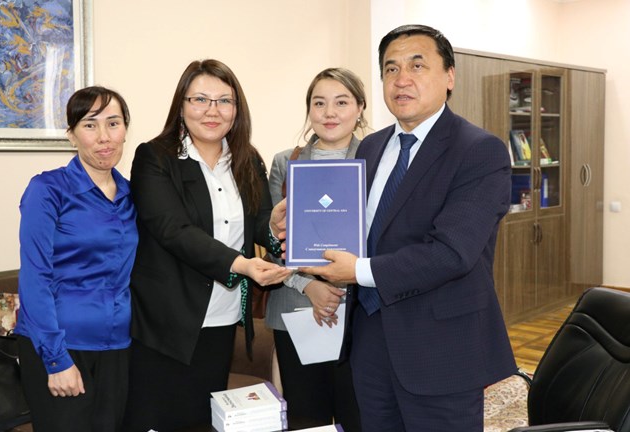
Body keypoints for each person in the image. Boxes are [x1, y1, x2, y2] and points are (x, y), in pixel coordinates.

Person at [300, 24, 517, 431]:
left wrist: (358, 271)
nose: (402, 79)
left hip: (441, 349)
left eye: (418, 65)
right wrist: (299, 222)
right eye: (391, 69)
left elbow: (452, 252)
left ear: (449, 77)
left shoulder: (479, 150)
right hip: (370, 339)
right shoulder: (372, 146)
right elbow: (358, 228)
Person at [121, 59, 292, 431]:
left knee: (201, 419)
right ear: (181, 105)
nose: (212, 111)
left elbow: (259, 220)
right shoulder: (156, 157)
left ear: (237, 109)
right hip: (165, 320)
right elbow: (172, 230)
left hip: (222, 316)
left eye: (224, 101)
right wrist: (242, 265)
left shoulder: (247, 159)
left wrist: (274, 226)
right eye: (200, 99)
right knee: (152, 420)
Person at [14, 86, 137, 432]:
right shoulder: (47, 190)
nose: (104, 137)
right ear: (71, 135)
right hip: (60, 343)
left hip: (117, 345)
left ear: (126, 129)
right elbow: (35, 277)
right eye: (90, 125)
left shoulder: (132, 195)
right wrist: (55, 359)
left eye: (113, 124)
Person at [265, 68, 366, 431]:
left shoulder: (376, 159)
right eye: (319, 103)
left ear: (359, 107)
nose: (329, 112)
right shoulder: (285, 161)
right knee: (308, 420)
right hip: (297, 312)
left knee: (360, 415)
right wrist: (308, 284)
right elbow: (272, 235)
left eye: (341, 102)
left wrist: (343, 284)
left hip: (359, 313)